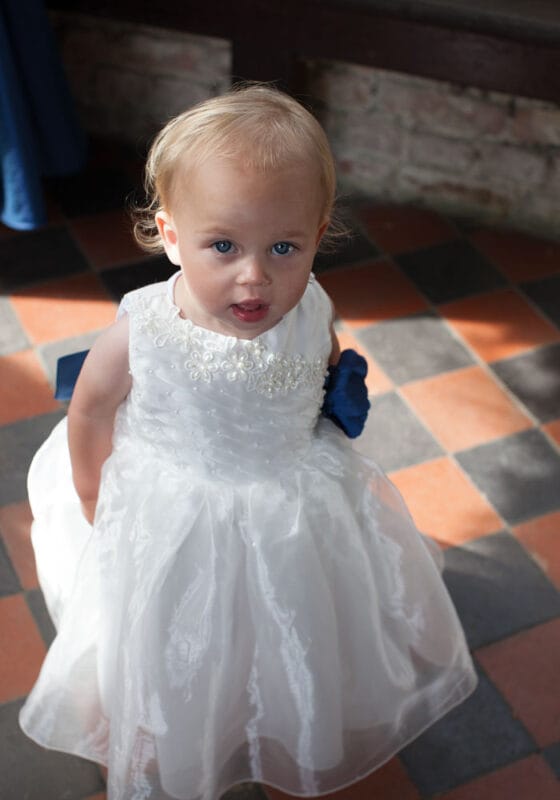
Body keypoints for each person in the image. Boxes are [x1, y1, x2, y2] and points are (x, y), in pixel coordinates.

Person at [19, 84, 476, 800]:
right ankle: (144, 724)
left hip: (290, 500)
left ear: (318, 233)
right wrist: (89, 486)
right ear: (171, 235)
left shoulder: (311, 299)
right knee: (166, 629)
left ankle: (269, 713)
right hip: (175, 512)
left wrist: (331, 389)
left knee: (288, 618)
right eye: (223, 246)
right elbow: (89, 409)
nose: (255, 275)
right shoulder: (144, 329)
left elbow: (323, 356)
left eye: (283, 246)